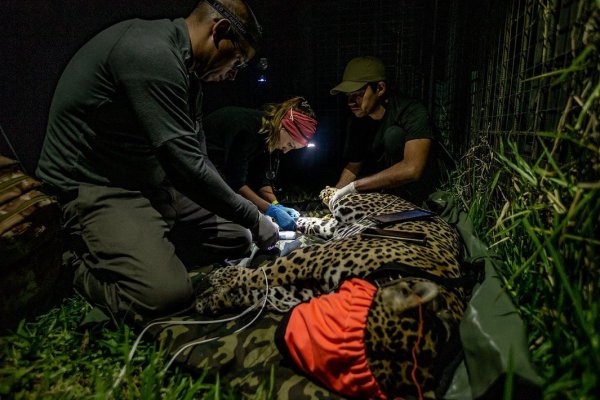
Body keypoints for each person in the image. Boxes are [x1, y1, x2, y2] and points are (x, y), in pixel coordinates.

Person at [35, 0, 279, 320]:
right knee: (165, 297)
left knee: (237, 239)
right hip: (97, 186)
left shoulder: (188, 74)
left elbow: (198, 156)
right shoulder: (150, 52)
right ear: (219, 31)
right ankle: (72, 263)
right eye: (237, 62)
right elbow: (184, 164)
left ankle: (144, 250)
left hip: (150, 182)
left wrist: (249, 218)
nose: (233, 76)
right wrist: (253, 215)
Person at [329, 56, 447, 207]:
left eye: (358, 95)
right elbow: (354, 165)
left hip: (424, 190)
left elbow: (412, 169)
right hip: (387, 188)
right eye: (348, 96)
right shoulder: (357, 120)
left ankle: (411, 205)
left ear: (380, 88)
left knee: (393, 135)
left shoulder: (411, 111)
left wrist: (356, 186)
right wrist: (335, 195)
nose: (351, 102)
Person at [203, 97, 317, 231]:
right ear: (283, 126)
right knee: (240, 233)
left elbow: (262, 181)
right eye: (290, 144)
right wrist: (271, 210)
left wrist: (277, 205)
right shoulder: (247, 129)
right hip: (199, 172)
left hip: (218, 174)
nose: (286, 151)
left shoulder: (268, 136)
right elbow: (236, 184)